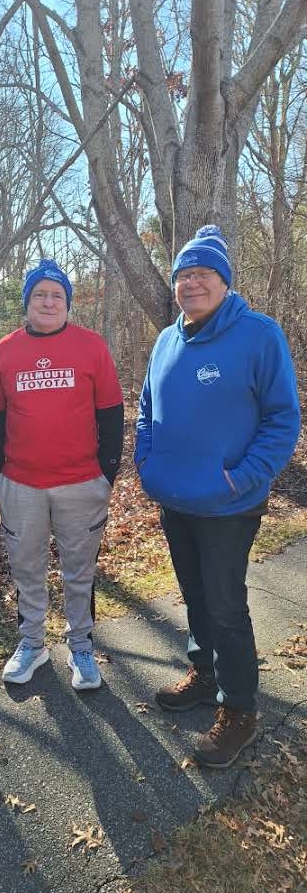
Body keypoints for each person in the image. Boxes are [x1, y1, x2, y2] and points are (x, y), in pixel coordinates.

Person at [135, 225, 300, 768]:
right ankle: (205, 676)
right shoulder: (165, 340)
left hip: (230, 503)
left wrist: (243, 476)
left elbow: (282, 419)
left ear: (224, 282)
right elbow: (145, 409)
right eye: (183, 276)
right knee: (196, 598)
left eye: (203, 274)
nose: (191, 284)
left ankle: (241, 711)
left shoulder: (258, 334)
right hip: (175, 500)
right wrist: (147, 463)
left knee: (226, 606)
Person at [0, 259, 124, 690]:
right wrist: (1, 474)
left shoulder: (91, 346)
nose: (48, 301)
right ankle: (31, 644)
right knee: (26, 568)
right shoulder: (4, 350)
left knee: (79, 572)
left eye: (57, 295)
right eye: (40, 294)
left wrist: (106, 475)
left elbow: (112, 416)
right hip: (21, 484)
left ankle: (81, 647)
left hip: (81, 483)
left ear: (67, 303)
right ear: (27, 302)